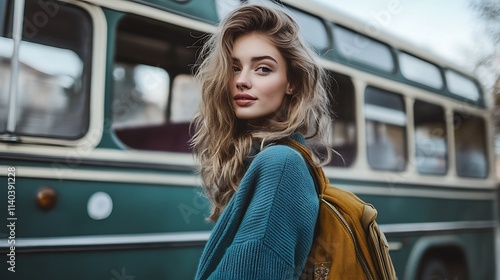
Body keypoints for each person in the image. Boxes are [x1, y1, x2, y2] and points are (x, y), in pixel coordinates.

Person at [190, 3, 332, 279]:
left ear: (292, 82)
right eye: (234, 67)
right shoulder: (258, 159)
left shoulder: (281, 164)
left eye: (263, 69)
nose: (241, 81)